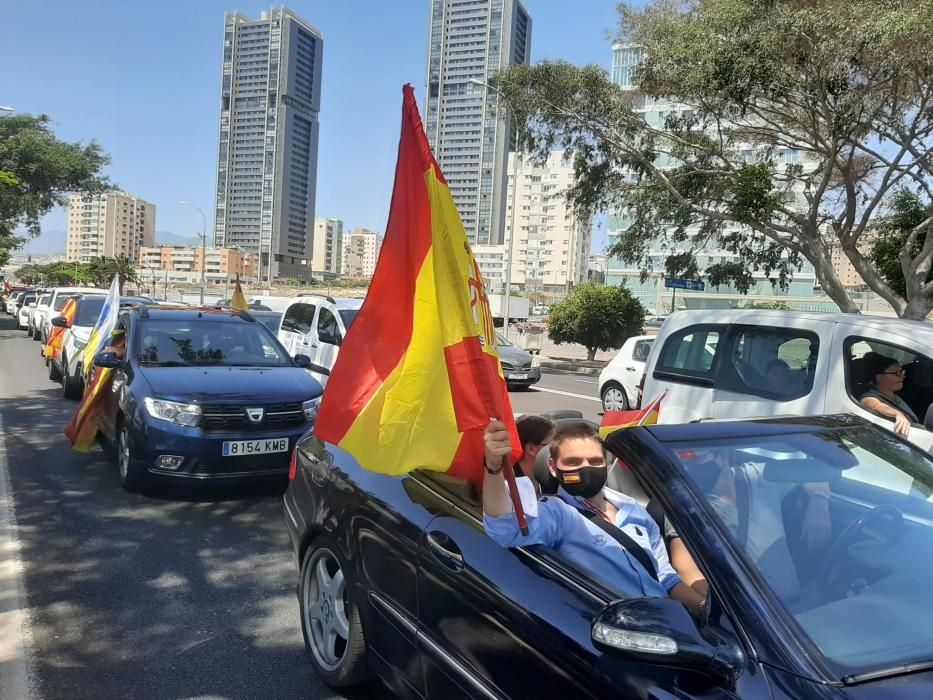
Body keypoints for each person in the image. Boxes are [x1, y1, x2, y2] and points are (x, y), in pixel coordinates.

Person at [483, 420, 705, 612]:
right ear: (552, 467)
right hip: (621, 632)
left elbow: (665, 577)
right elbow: (503, 529)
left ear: (606, 462)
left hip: (669, 622)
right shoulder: (557, 514)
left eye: (595, 461)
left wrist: (704, 608)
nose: (585, 468)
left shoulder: (635, 510)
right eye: (573, 462)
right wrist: (493, 468)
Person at [860, 353, 918, 436]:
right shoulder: (868, 397)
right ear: (879, 377)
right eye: (897, 373)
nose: (903, 376)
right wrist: (897, 414)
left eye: (902, 371)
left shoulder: (895, 397)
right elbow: (877, 405)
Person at [512, 414, 554, 496]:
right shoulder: (511, 485)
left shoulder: (549, 473)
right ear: (531, 449)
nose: (558, 449)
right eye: (552, 445)